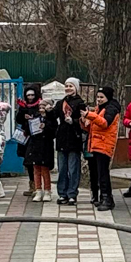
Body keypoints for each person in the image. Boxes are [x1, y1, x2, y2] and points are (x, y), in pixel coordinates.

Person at [82, 87, 121, 211]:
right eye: (97, 97)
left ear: (107, 97)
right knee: (98, 173)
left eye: (101, 97)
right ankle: (103, 198)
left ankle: (107, 199)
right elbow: (94, 127)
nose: (98, 99)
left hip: (104, 144)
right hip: (96, 143)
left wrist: (90, 115)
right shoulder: (100, 108)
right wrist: (85, 121)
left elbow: (105, 123)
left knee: (103, 173)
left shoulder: (111, 109)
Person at [50, 77, 86, 206]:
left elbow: (84, 121)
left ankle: (72, 194)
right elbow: (53, 116)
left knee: (73, 169)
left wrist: (74, 122)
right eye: (66, 86)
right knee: (62, 169)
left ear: (76, 88)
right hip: (61, 140)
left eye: (71, 86)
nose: (68, 88)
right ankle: (62, 194)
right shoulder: (60, 103)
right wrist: (47, 110)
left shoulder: (81, 103)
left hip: (74, 140)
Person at [17, 83, 55, 202]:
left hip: (44, 145)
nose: (30, 97)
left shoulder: (49, 117)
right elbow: (22, 123)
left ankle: (47, 190)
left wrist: (45, 125)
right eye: (28, 95)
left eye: (32, 95)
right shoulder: (24, 107)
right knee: (33, 167)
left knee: (44, 169)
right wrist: (26, 118)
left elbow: (53, 129)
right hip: (32, 143)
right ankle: (36, 189)